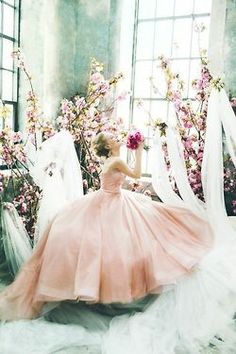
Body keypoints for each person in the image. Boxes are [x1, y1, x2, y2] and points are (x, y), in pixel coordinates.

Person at [0, 131, 213, 321]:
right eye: (112, 137)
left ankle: (112, 293)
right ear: (109, 146)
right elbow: (136, 174)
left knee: (144, 227)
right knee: (117, 243)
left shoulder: (113, 160)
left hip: (113, 199)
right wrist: (138, 151)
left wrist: (131, 151)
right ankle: (113, 292)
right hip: (110, 202)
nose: (116, 137)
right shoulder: (115, 162)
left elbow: (123, 177)